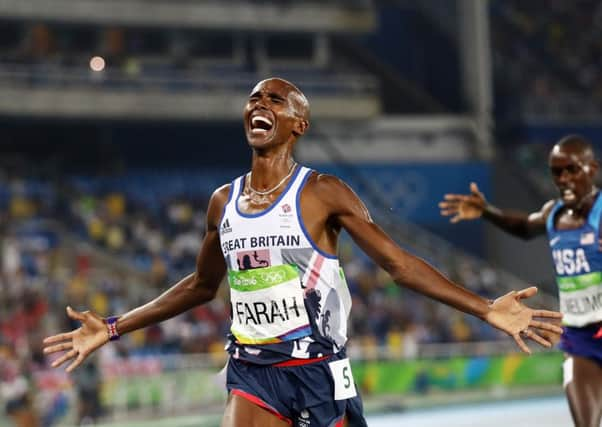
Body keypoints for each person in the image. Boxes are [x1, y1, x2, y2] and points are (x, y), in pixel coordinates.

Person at [43, 78, 563, 427]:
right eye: (253, 99)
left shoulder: (324, 193)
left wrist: (485, 308)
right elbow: (201, 287)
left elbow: (399, 265)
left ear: (299, 125)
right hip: (252, 369)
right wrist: (112, 327)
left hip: (320, 370)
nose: (259, 106)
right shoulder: (222, 201)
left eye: (274, 101)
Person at [439, 134, 602, 427]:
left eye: (571, 170)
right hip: (580, 340)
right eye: (556, 172)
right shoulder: (554, 213)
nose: (563, 179)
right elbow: (525, 227)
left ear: (592, 169)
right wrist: (487, 211)